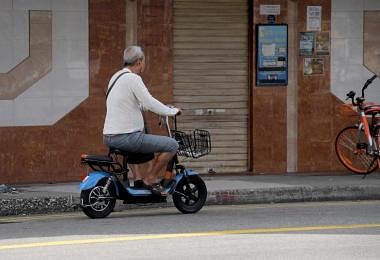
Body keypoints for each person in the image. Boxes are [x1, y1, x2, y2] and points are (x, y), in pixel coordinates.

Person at [103, 45, 180, 195]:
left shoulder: (116, 77)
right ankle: (150, 179)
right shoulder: (133, 79)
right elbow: (149, 102)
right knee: (172, 145)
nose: (144, 63)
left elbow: (139, 103)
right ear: (139, 62)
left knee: (141, 135)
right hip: (126, 137)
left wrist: (160, 108)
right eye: (144, 61)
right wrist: (171, 111)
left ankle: (138, 181)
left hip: (109, 136)